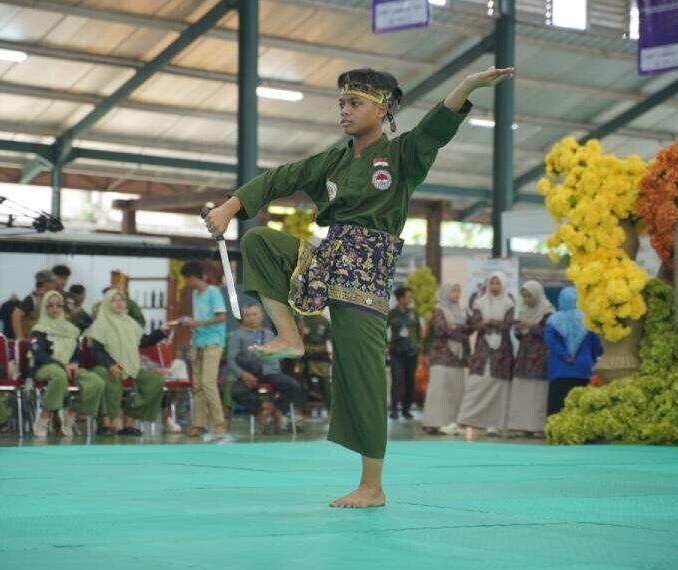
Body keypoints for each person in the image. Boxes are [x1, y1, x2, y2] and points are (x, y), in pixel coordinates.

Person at [203, 65, 514, 507]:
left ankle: (373, 485)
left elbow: (435, 128)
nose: (344, 112)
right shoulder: (333, 159)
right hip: (330, 255)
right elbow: (281, 178)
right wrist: (231, 206)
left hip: (367, 273)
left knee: (361, 374)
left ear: (382, 108)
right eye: (342, 104)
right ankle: (287, 333)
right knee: (259, 241)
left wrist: (465, 87)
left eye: (355, 104)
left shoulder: (403, 154)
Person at [87, 288, 172, 436]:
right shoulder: (100, 324)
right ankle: (107, 423)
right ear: (107, 303)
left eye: (122, 300)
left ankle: (130, 420)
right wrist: (110, 364)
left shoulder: (130, 322)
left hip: (130, 366)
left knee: (155, 381)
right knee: (107, 376)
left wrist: (161, 331)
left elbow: (143, 341)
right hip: (107, 365)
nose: (119, 303)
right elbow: (97, 351)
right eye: (114, 300)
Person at [30, 290, 105, 437]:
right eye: (50, 305)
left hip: (69, 367)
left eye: (58, 305)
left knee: (96, 382)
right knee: (59, 375)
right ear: (44, 308)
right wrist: (62, 365)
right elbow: (40, 355)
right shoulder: (39, 329)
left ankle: (72, 414)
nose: (55, 309)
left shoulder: (71, 330)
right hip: (45, 367)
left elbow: (78, 354)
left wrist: (75, 364)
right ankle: (45, 416)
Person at [228, 303, 302, 433]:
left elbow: (278, 355)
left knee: (293, 386)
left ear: (261, 316)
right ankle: (263, 408)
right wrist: (242, 374)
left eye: (254, 314)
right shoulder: (237, 335)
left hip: (271, 372)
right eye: (247, 315)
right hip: (249, 374)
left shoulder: (269, 334)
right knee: (236, 392)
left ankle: (275, 409)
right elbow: (231, 359)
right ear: (243, 318)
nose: (251, 318)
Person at [458, 271, 515, 436]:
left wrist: (490, 322)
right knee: (477, 383)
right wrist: (491, 323)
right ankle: (468, 420)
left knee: (499, 386)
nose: (495, 287)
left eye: (498, 283)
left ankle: (495, 424)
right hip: (483, 350)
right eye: (492, 283)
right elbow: (476, 324)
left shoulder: (508, 303)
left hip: (502, 352)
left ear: (503, 285)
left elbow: (508, 325)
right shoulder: (480, 303)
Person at [179, 260, 228, 438]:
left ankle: (220, 422)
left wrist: (196, 322)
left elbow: (221, 317)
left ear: (191, 277)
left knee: (208, 383)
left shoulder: (213, 292)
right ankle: (199, 424)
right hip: (197, 341)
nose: (185, 283)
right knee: (198, 386)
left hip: (213, 341)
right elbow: (200, 318)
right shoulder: (195, 295)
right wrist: (190, 323)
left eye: (185, 279)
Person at [545, 287, 602, 416]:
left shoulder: (554, 320)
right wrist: (591, 359)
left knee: (558, 405)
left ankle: (556, 432)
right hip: (583, 368)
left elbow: (550, 341)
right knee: (579, 406)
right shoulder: (587, 320)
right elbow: (596, 344)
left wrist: (565, 355)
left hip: (560, 368)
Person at [507, 281, 555, 435]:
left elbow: (547, 333)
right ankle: (521, 426)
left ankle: (537, 427)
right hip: (524, 357)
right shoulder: (524, 311)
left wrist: (531, 326)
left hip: (539, 358)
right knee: (523, 392)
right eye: (525, 297)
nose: (527, 300)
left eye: (530, 296)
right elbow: (519, 336)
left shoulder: (548, 312)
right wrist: (518, 330)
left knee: (537, 393)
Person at [422, 283, 469, 436]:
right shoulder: (439, 309)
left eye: (458, 290)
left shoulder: (462, 311)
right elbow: (442, 329)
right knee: (439, 391)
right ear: (445, 292)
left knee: (456, 391)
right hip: (441, 356)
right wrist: (457, 329)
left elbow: (467, 330)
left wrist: (456, 328)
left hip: (457, 358)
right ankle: (434, 423)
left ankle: (451, 423)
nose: (457, 294)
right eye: (453, 291)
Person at [386, 286, 422, 420]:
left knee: (409, 381)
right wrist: (385, 345)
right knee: (397, 380)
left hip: (411, 352)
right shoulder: (392, 313)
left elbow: (418, 330)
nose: (410, 299)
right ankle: (394, 409)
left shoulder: (413, 313)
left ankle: (406, 409)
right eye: (408, 296)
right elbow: (383, 329)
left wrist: (418, 345)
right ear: (400, 298)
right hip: (397, 352)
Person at [300, 312, 332, 411]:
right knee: (303, 383)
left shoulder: (324, 321)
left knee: (325, 384)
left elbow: (330, 338)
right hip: (304, 355)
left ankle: (331, 409)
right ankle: (300, 410)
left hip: (320, 356)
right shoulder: (300, 320)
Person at [12, 270, 56, 339]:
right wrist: (19, 336)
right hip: (34, 342)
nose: (55, 284)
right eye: (53, 282)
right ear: (46, 283)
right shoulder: (32, 299)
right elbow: (16, 314)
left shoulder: (47, 299)